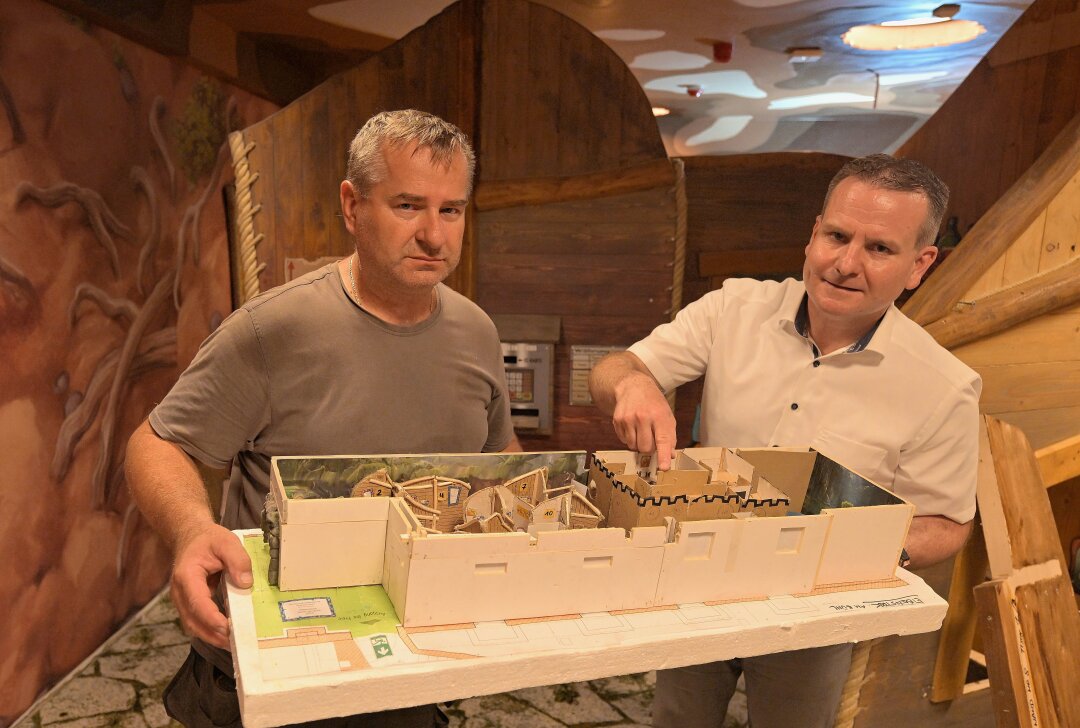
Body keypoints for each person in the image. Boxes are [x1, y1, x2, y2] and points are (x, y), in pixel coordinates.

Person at [126, 109, 520, 728]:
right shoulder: (271, 330)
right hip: (268, 666)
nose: (434, 236)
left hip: (407, 663)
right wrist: (188, 529)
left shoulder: (477, 331)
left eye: (452, 210)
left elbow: (499, 454)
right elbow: (157, 443)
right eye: (408, 205)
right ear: (352, 206)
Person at [589, 154, 980, 728]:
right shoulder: (733, 309)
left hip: (816, 606)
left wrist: (850, 545)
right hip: (695, 578)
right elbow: (613, 368)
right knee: (678, 718)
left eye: (879, 248)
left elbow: (948, 524)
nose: (846, 263)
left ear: (920, 264)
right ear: (813, 233)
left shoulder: (944, 387)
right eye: (837, 235)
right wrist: (633, 387)